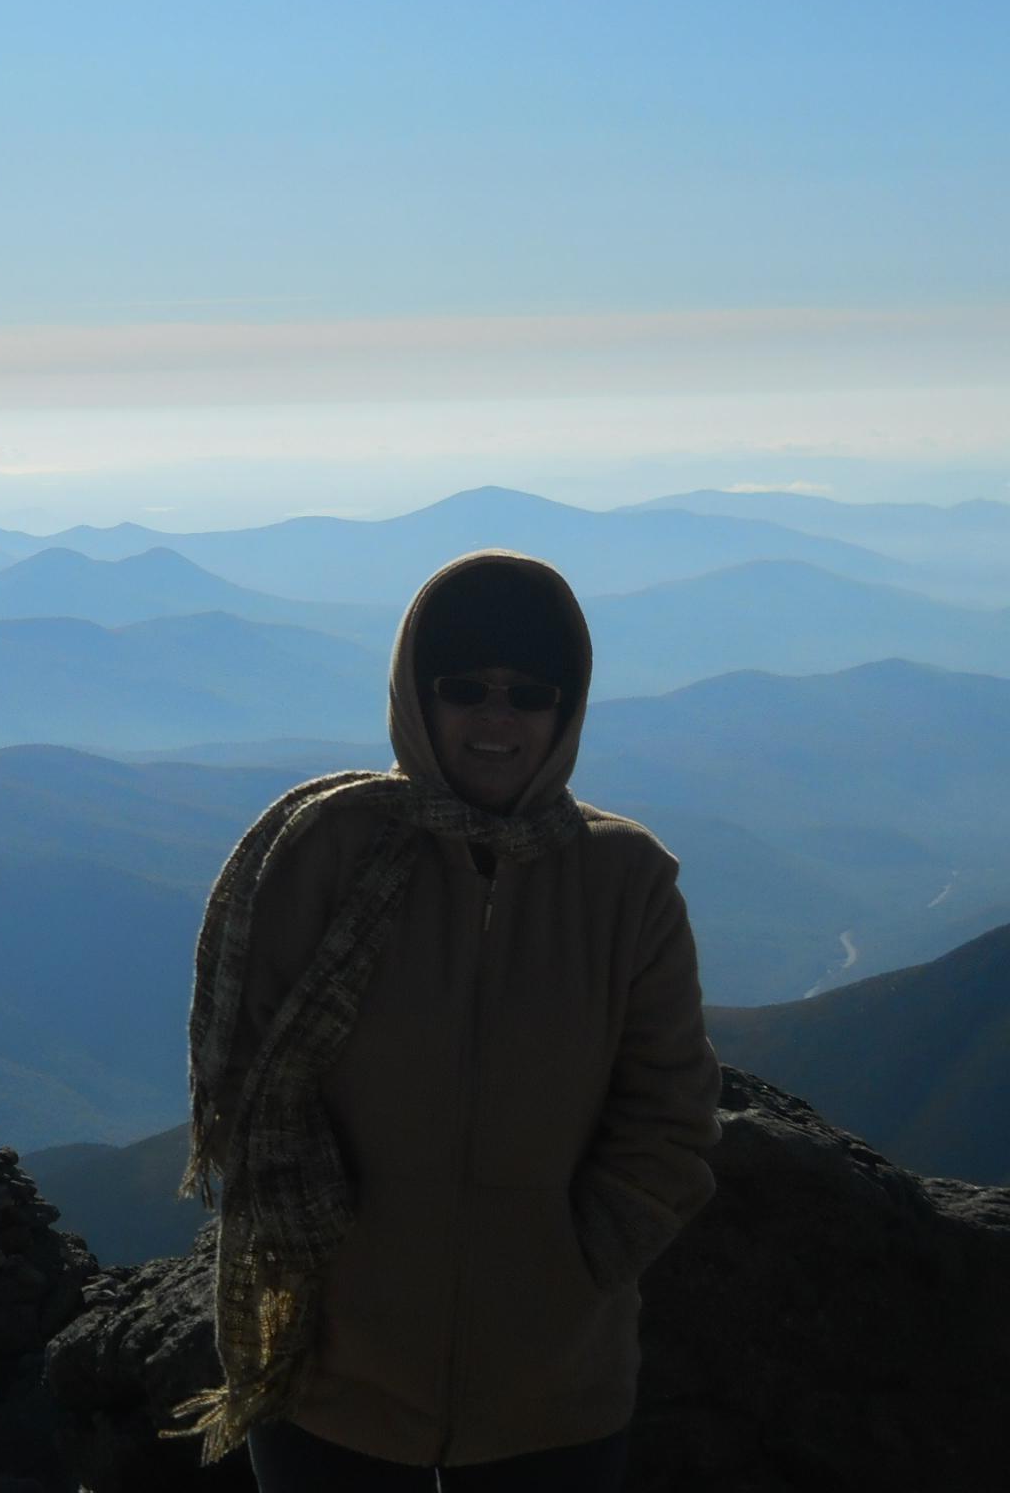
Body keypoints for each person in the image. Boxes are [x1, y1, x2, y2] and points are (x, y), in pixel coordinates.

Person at [178, 549, 722, 1492]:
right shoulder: (324, 851)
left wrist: (581, 1259)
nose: (497, 718)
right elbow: (249, 1080)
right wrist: (334, 1261)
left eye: (531, 694)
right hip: (327, 1377)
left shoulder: (627, 882)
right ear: (416, 699)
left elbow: (671, 1110)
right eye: (464, 687)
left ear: (567, 709)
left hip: (553, 1390)